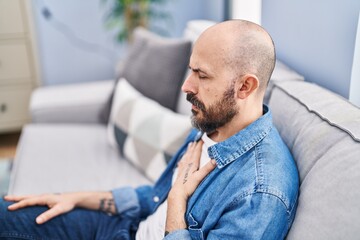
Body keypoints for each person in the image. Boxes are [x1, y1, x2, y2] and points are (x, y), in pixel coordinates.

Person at [0, 20, 299, 239]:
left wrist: (177, 200)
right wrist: (77, 198)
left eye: (202, 75)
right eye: (190, 70)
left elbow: (169, 198)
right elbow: (153, 199)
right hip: (120, 227)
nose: (187, 86)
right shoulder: (213, 123)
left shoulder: (260, 194)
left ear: (245, 86)